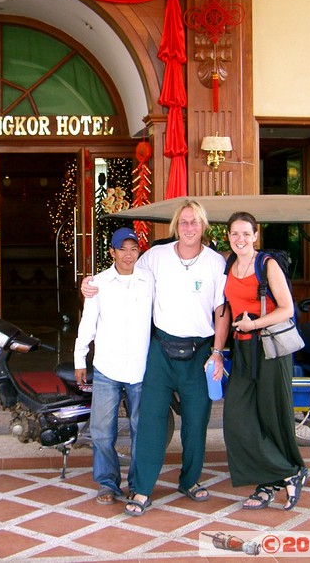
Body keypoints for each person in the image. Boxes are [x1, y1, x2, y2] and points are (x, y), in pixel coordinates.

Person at [82, 199, 230, 517]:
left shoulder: (216, 263)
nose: (190, 227)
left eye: (195, 222)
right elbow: (123, 272)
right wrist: (90, 283)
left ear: (203, 226)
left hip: (200, 352)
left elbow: (221, 312)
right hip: (160, 351)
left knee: (195, 422)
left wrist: (217, 352)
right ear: (176, 225)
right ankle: (142, 489)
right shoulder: (155, 257)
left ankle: (189, 481)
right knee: (149, 421)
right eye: (185, 221)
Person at [221, 211, 307, 510]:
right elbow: (226, 310)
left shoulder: (266, 264)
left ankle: (272, 481)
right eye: (235, 234)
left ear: (256, 235)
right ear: (228, 236)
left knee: (271, 415)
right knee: (236, 417)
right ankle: (286, 473)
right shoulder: (229, 264)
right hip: (243, 351)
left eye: (246, 233)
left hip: (270, 349)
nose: (240, 239)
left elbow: (287, 309)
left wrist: (253, 325)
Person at [74, 227, 154, 505]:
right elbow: (88, 323)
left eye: (134, 249)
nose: (129, 254)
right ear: (112, 252)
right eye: (123, 249)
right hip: (107, 366)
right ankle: (107, 483)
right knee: (101, 430)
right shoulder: (99, 283)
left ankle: (137, 482)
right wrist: (79, 357)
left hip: (141, 368)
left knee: (140, 429)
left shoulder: (149, 280)